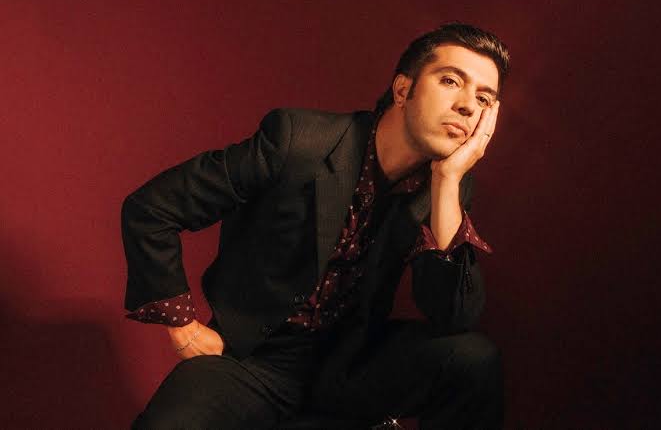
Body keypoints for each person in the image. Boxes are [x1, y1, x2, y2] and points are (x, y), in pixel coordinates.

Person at [121, 21, 510, 430]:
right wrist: (182, 326)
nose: (468, 106)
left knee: (473, 360)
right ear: (402, 90)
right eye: (451, 81)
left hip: (351, 365)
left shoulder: (446, 184)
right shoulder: (299, 140)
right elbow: (152, 209)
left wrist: (446, 182)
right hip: (253, 360)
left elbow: (454, 317)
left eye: (484, 98)